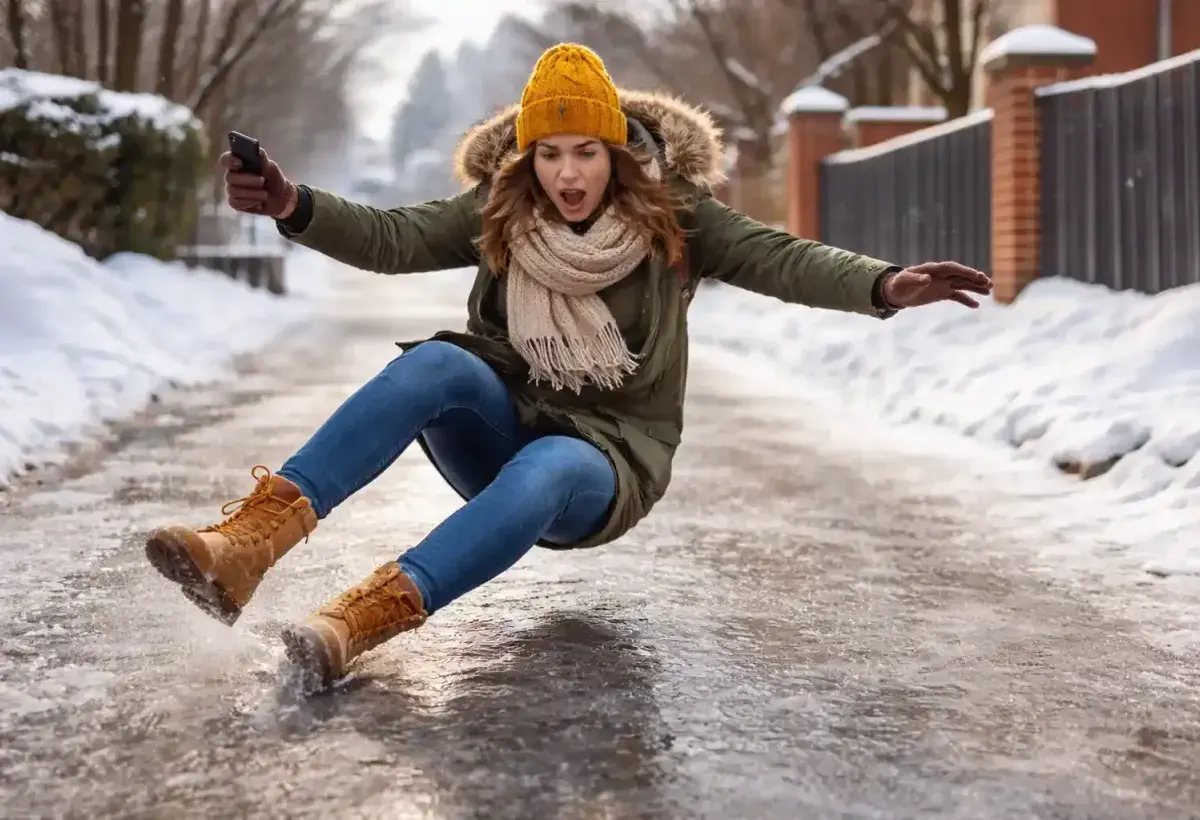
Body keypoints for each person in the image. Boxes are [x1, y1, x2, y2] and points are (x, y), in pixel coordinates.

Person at [144, 43, 992, 690]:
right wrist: (295, 206)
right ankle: (245, 548)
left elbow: (785, 257)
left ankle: (355, 624)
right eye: (549, 154)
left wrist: (886, 283)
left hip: (605, 461)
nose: (567, 173)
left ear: (617, 151)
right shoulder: (499, 209)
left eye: (585, 152)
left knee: (551, 462)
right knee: (439, 364)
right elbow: (392, 237)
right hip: (503, 427)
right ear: (527, 157)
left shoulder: (679, 218)